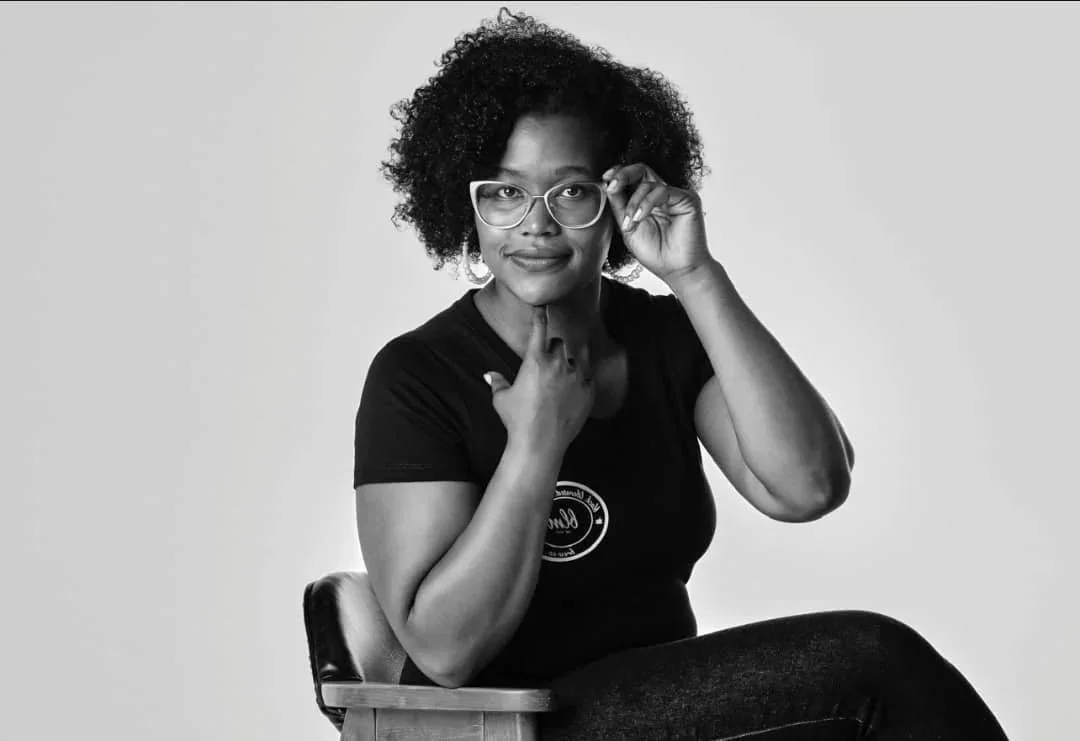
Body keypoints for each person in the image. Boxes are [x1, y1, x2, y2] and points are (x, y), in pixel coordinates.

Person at [353, 8, 1009, 740]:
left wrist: (695, 276)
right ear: (463, 206)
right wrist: (536, 444)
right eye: (504, 194)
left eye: (570, 190)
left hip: (668, 703)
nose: (535, 224)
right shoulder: (418, 377)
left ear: (616, 199)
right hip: (521, 724)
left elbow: (808, 486)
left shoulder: (660, 339)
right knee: (875, 663)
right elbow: (444, 652)